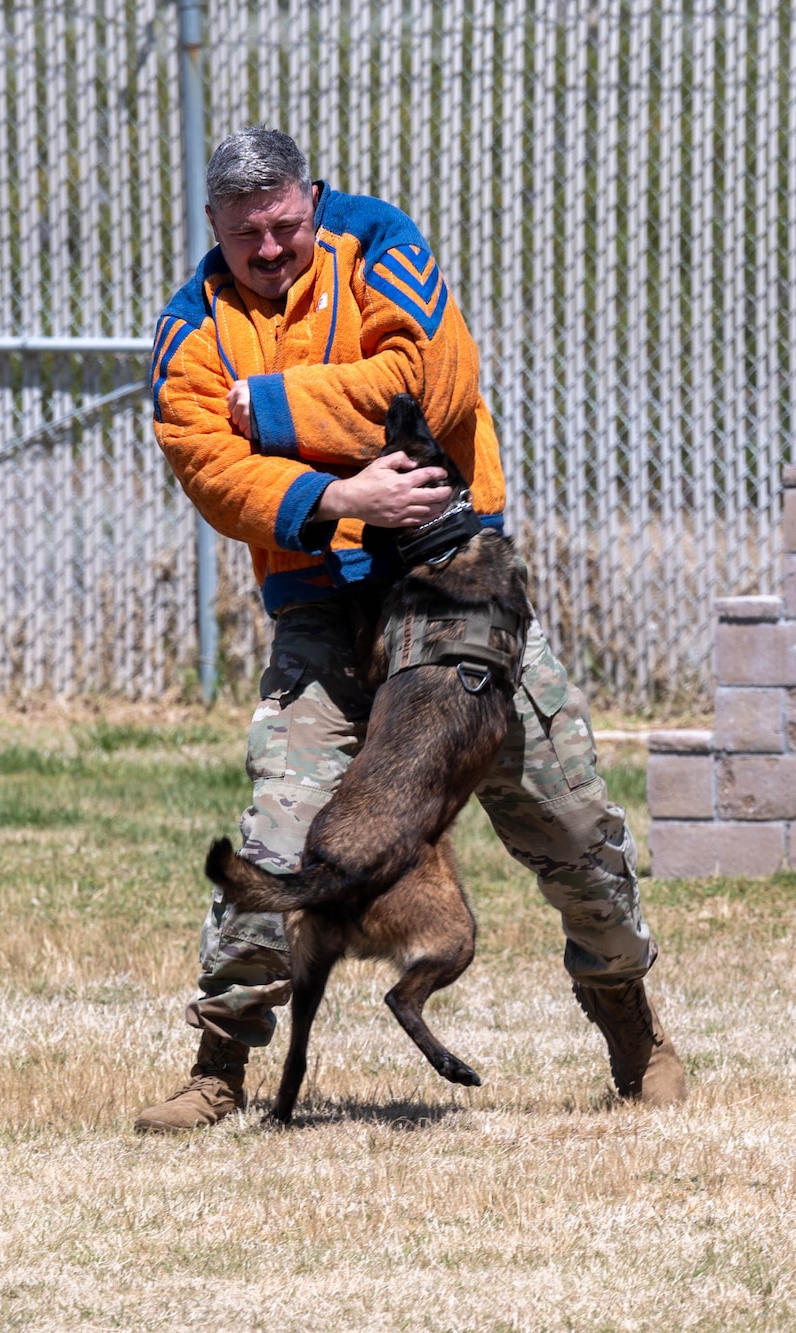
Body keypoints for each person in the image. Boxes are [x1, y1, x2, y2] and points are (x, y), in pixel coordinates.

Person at [135, 127, 684, 1132]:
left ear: (311, 199)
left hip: (451, 599)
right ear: (211, 224)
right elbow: (206, 469)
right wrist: (342, 490)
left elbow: (427, 383)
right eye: (247, 232)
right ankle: (219, 1066)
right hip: (322, 608)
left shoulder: (381, 244)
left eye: (286, 225)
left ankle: (632, 1031)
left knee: (568, 823)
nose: (270, 248)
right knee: (279, 830)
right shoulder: (189, 331)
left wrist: (265, 405)